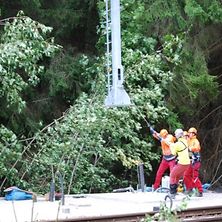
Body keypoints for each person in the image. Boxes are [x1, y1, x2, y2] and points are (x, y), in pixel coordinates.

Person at [169, 129, 190, 199]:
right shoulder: (185, 141)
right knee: (177, 176)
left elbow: (173, 153)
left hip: (182, 163)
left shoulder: (177, 144)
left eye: (175, 134)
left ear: (178, 135)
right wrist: (173, 145)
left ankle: (172, 193)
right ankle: (175, 191)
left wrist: (171, 146)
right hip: (187, 163)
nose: (174, 135)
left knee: (172, 175)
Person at [183, 127, 203, 197]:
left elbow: (197, 148)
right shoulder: (189, 141)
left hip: (196, 161)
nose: (189, 134)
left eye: (190, 133)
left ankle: (200, 191)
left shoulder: (195, 141)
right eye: (189, 133)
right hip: (190, 161)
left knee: (195, 176)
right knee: (186, 175)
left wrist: (191, 148)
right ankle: (189, 189)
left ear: (194, 134)